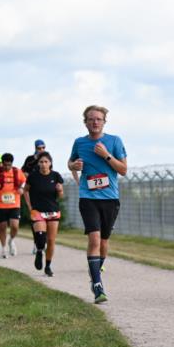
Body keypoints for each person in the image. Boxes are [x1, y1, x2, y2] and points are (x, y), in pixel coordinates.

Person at [67, 104, 127, 304]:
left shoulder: (114, 141)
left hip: (110, 198)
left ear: (104, 122)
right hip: (88, 197)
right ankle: (98, 285)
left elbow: (123, 170)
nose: (95, 122)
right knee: (94, 239)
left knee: (103, 242)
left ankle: (96, 269)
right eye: (91, 119)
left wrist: (106, 155)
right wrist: (73, 166)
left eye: (98, 119)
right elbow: (70, 162)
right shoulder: (79, 143)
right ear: (85, 122)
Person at [23, 151, 64, 276]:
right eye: (41, 162)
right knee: (41, 238)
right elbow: (25, 191)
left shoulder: (56, 176)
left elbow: (61, 196)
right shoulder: (33, 176)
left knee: (51, 240)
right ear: (38, 163)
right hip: (38, 211)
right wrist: (30, 206)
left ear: (50, 163)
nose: (43, 164)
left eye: (46, 162)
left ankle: (48, 266)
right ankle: (40, 251)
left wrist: (60, 190)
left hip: (53, 211)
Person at [0, 153, 25, 257]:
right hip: (0, 205)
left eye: (9, 165)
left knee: (15, 226)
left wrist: (21, 188)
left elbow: (24, 182)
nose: (7, 167)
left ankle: (11, 240)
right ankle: (4, 249)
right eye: (5, 165)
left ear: (12, 163)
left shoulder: (17, 171)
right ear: (2, 164)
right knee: (2, 227)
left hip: (14, 204)